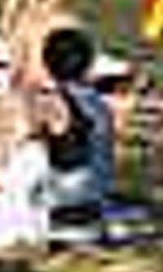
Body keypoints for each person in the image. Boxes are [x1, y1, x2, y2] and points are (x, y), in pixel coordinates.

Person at [19, 25, 116, 226]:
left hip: (65, 204)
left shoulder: (53, 104)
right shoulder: (100, 103)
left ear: (47, 64)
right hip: (96, 195)